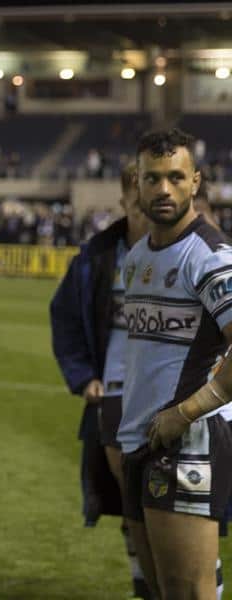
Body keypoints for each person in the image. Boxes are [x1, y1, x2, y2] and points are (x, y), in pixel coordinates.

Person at [123, 128, 232, 599]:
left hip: (189, 439)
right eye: (153, 178)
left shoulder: (209, 257)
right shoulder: (137, 256)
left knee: (188, 593)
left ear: (195, 182)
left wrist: (186, 411)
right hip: (142, 439)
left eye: (175, 177)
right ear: (137, 183)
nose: (163, 189)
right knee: (159, 590)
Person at [50, 163, 152, 598]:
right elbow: (66, 319)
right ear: (125, 201)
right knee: (130, 499)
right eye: (140, 200)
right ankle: (144, 582)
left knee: (180, 508)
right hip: (114, 393)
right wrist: (82, 376)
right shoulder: (95, 258)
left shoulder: (198, 254)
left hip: (176, 395)